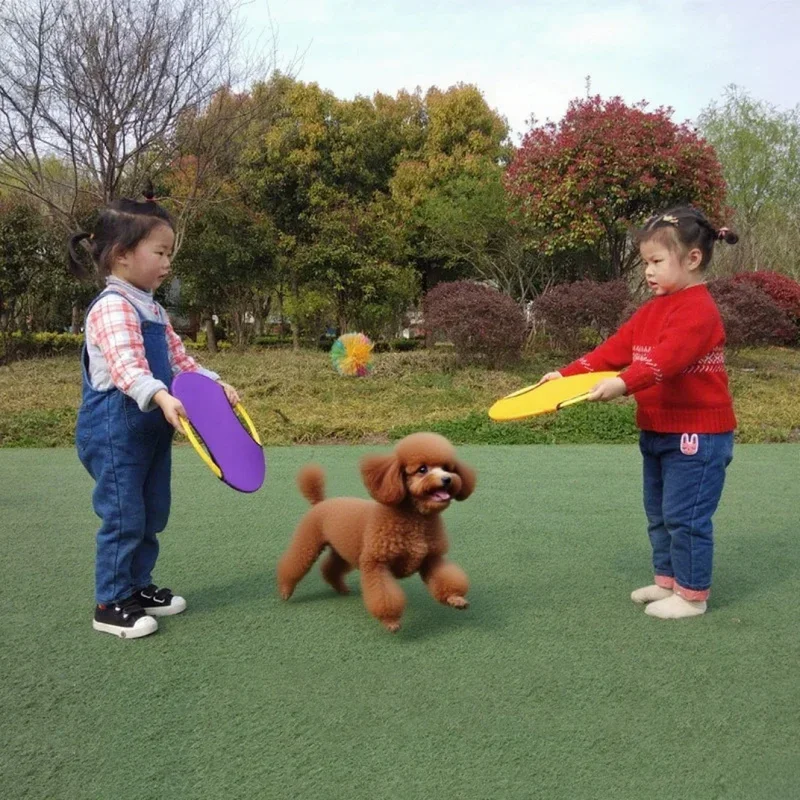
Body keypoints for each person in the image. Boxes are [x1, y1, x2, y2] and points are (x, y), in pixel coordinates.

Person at [538, 206, 738, 619]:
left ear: (693, 258)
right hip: (658, 431)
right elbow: (613, 350)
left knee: (686, 517)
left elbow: (665, 360)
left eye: (656, 261)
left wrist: (623, 384)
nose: (647, 271)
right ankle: (668, 581)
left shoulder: (698, 310)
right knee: (659, 514)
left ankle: (692, 596)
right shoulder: (652, 310)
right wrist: (566, 375)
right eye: (645, 262)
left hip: (697, 435)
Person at [70, 187, 240, 638]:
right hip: (113, 434)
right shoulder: (112, 307)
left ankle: (137, 587)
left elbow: (180, 360)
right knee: (124, 516)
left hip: (148, 432)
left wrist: (214, 384)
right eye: (160, 252)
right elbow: (127, 367)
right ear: (122, 255)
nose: (168, 263)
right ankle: (110, 602)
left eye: (170, 253)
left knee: (151, 512)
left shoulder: (153, 308)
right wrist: (162, 397)